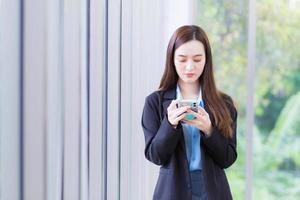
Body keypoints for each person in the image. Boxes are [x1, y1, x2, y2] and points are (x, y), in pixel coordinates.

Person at [141, 25, 238, 200]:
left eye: (197, 59)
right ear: (172, 59)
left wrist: (209, 130)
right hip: (172, 192)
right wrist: (169, 125)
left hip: (214, 193)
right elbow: (155, 156)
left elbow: (228, 159)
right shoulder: (154, 102)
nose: (190, 66)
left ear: (207, 60)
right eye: (182, 59)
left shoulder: (224, 104)